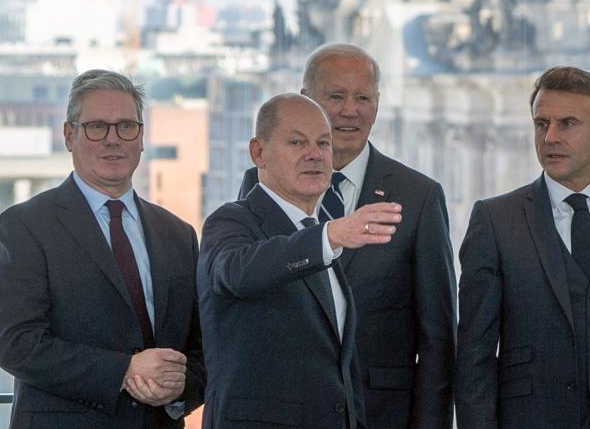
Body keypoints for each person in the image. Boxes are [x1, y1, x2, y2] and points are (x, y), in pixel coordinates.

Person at [238, 43, 456, 428]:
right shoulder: (260, 186)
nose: (350, 110)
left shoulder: (417, 196)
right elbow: (247, 291)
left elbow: (437, 338)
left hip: (381, 414)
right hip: (284, 413)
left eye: (363, 98)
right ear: (306, 102)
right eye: (335, 97)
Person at [0, 69, 205, 428]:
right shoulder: (22, 226)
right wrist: (122, 372)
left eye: (126, 126)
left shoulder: (178, 234)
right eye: (97, 127)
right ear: (68, 135)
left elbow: (204, 346)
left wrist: (181, 390)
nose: (113, 139)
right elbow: (16, 343)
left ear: (141, 137)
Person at [456, 66, 590, 428]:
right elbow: (474, 356)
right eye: (541, 124)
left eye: (568, 124)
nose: (550, 138)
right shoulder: (496, 220)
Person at [198, 93, 403, 428]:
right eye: (297, 142)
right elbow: (237, 272)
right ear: (258, 153)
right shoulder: (232, 221)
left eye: (323, 143)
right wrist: (330, 236)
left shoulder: (320, 234)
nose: (314, 155)